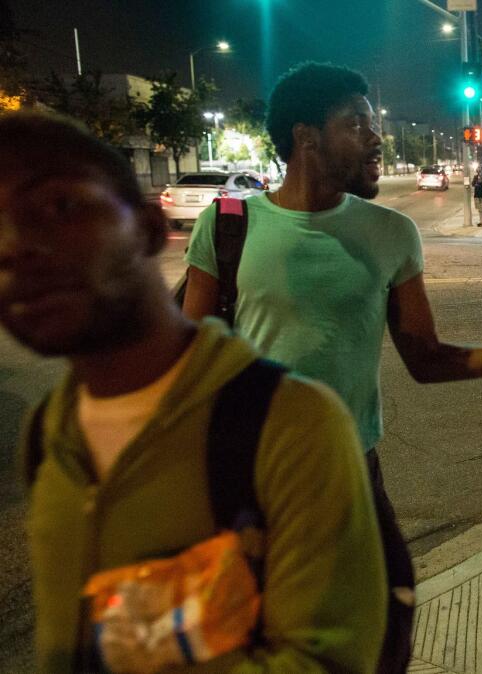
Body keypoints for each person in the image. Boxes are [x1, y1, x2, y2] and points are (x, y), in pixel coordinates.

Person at [182, 62, 482, 673]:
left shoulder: (392, 233)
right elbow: (186, 366)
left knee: (383, 632)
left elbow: (426, 359)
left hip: (353, 475)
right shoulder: (227, 227)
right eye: (357, 124)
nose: (376, 139)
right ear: (306, 137)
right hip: (246, 484)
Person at [0, 111, 387, 673]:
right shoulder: (46, 436)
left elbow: (331, 659)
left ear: (148, 230)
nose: (14, 249)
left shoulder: (288, 424)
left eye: (59, 207)